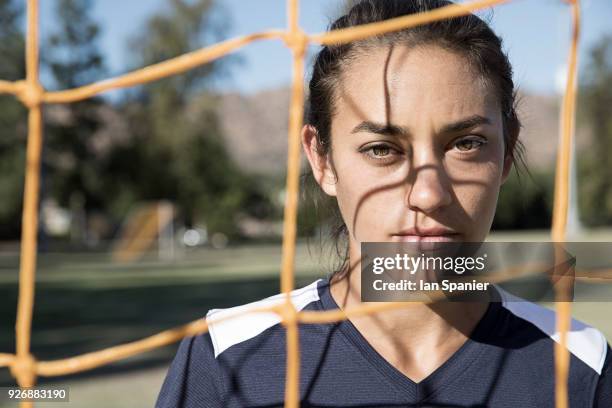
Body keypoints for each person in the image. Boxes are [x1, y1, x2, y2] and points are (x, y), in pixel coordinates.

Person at [155, 1, 611, 406]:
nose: (429, 194)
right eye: (382, 149)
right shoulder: (228, 358)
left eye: (467, 144)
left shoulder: (580, 363)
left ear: (507, 154)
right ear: (322, 159)